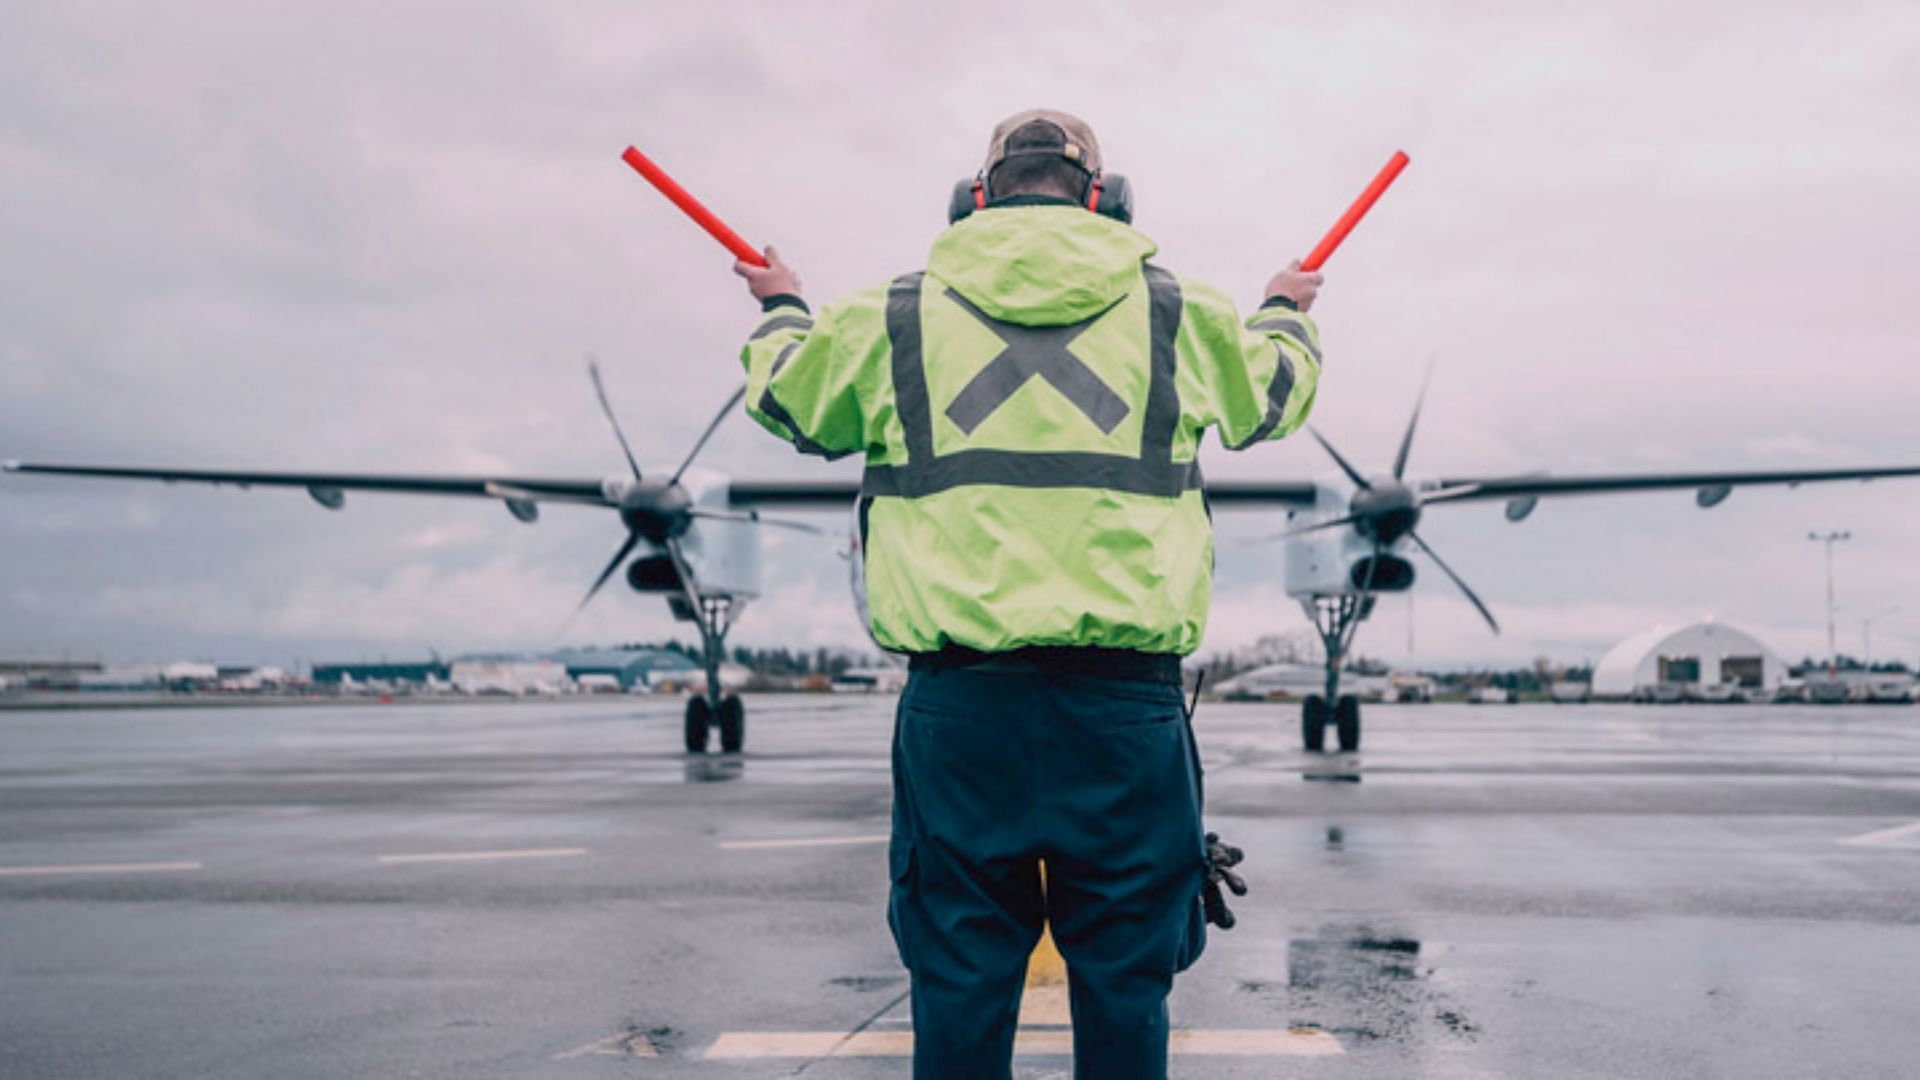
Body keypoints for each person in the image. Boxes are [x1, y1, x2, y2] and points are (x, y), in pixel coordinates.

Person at [734, 109, 1323, 1080]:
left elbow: (789, 395)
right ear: (1105, 198)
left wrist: (783, 304)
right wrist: (1285, 309)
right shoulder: (1178, 312)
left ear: (977, 196)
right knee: (1129, 985)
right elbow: (1277, 390)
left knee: (960, 984)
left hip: (960, 714)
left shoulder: (896, 313)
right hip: (1126, 715)